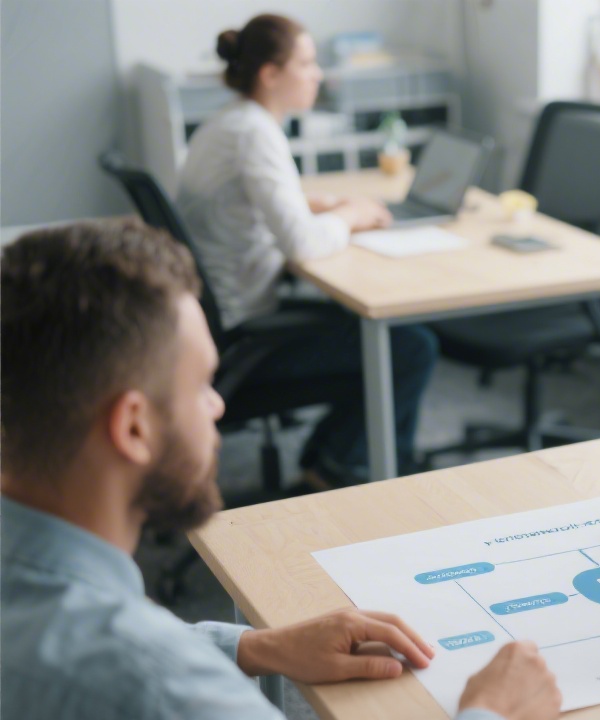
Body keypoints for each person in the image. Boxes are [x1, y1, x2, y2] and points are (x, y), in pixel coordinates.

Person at [0, 219, 562, 720]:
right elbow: (139, 672)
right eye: (201, 387)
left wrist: (255, 646)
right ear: (134, 428)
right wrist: (493, 712)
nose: (218, 406)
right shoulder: (165, 687)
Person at [177, 13, 436, 486]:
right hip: (248, 338)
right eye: (307, 63)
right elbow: (302, 242)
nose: (318, 74)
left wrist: (321, 203)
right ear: (270, 74)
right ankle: (341, 467)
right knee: (410, 345)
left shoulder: (230, 122)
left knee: (376, 330)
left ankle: (331, 458)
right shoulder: (255, 133)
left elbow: (251, 202)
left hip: (228, 319)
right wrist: (351, 215)